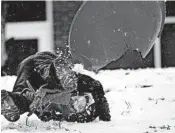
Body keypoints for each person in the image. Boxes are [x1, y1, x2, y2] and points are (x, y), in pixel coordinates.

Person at [1, 51, 111, 123]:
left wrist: (34, 101)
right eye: (82, 100)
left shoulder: (59, 114)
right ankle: (57, 73)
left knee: (23, 97)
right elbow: (95, 84)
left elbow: (43, 114)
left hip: (30, 79)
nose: (76, 103)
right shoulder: (75, 84)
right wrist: (103, 111)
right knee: (50, 74)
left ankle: (10, 102)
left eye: (78, 107)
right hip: (44, 60)